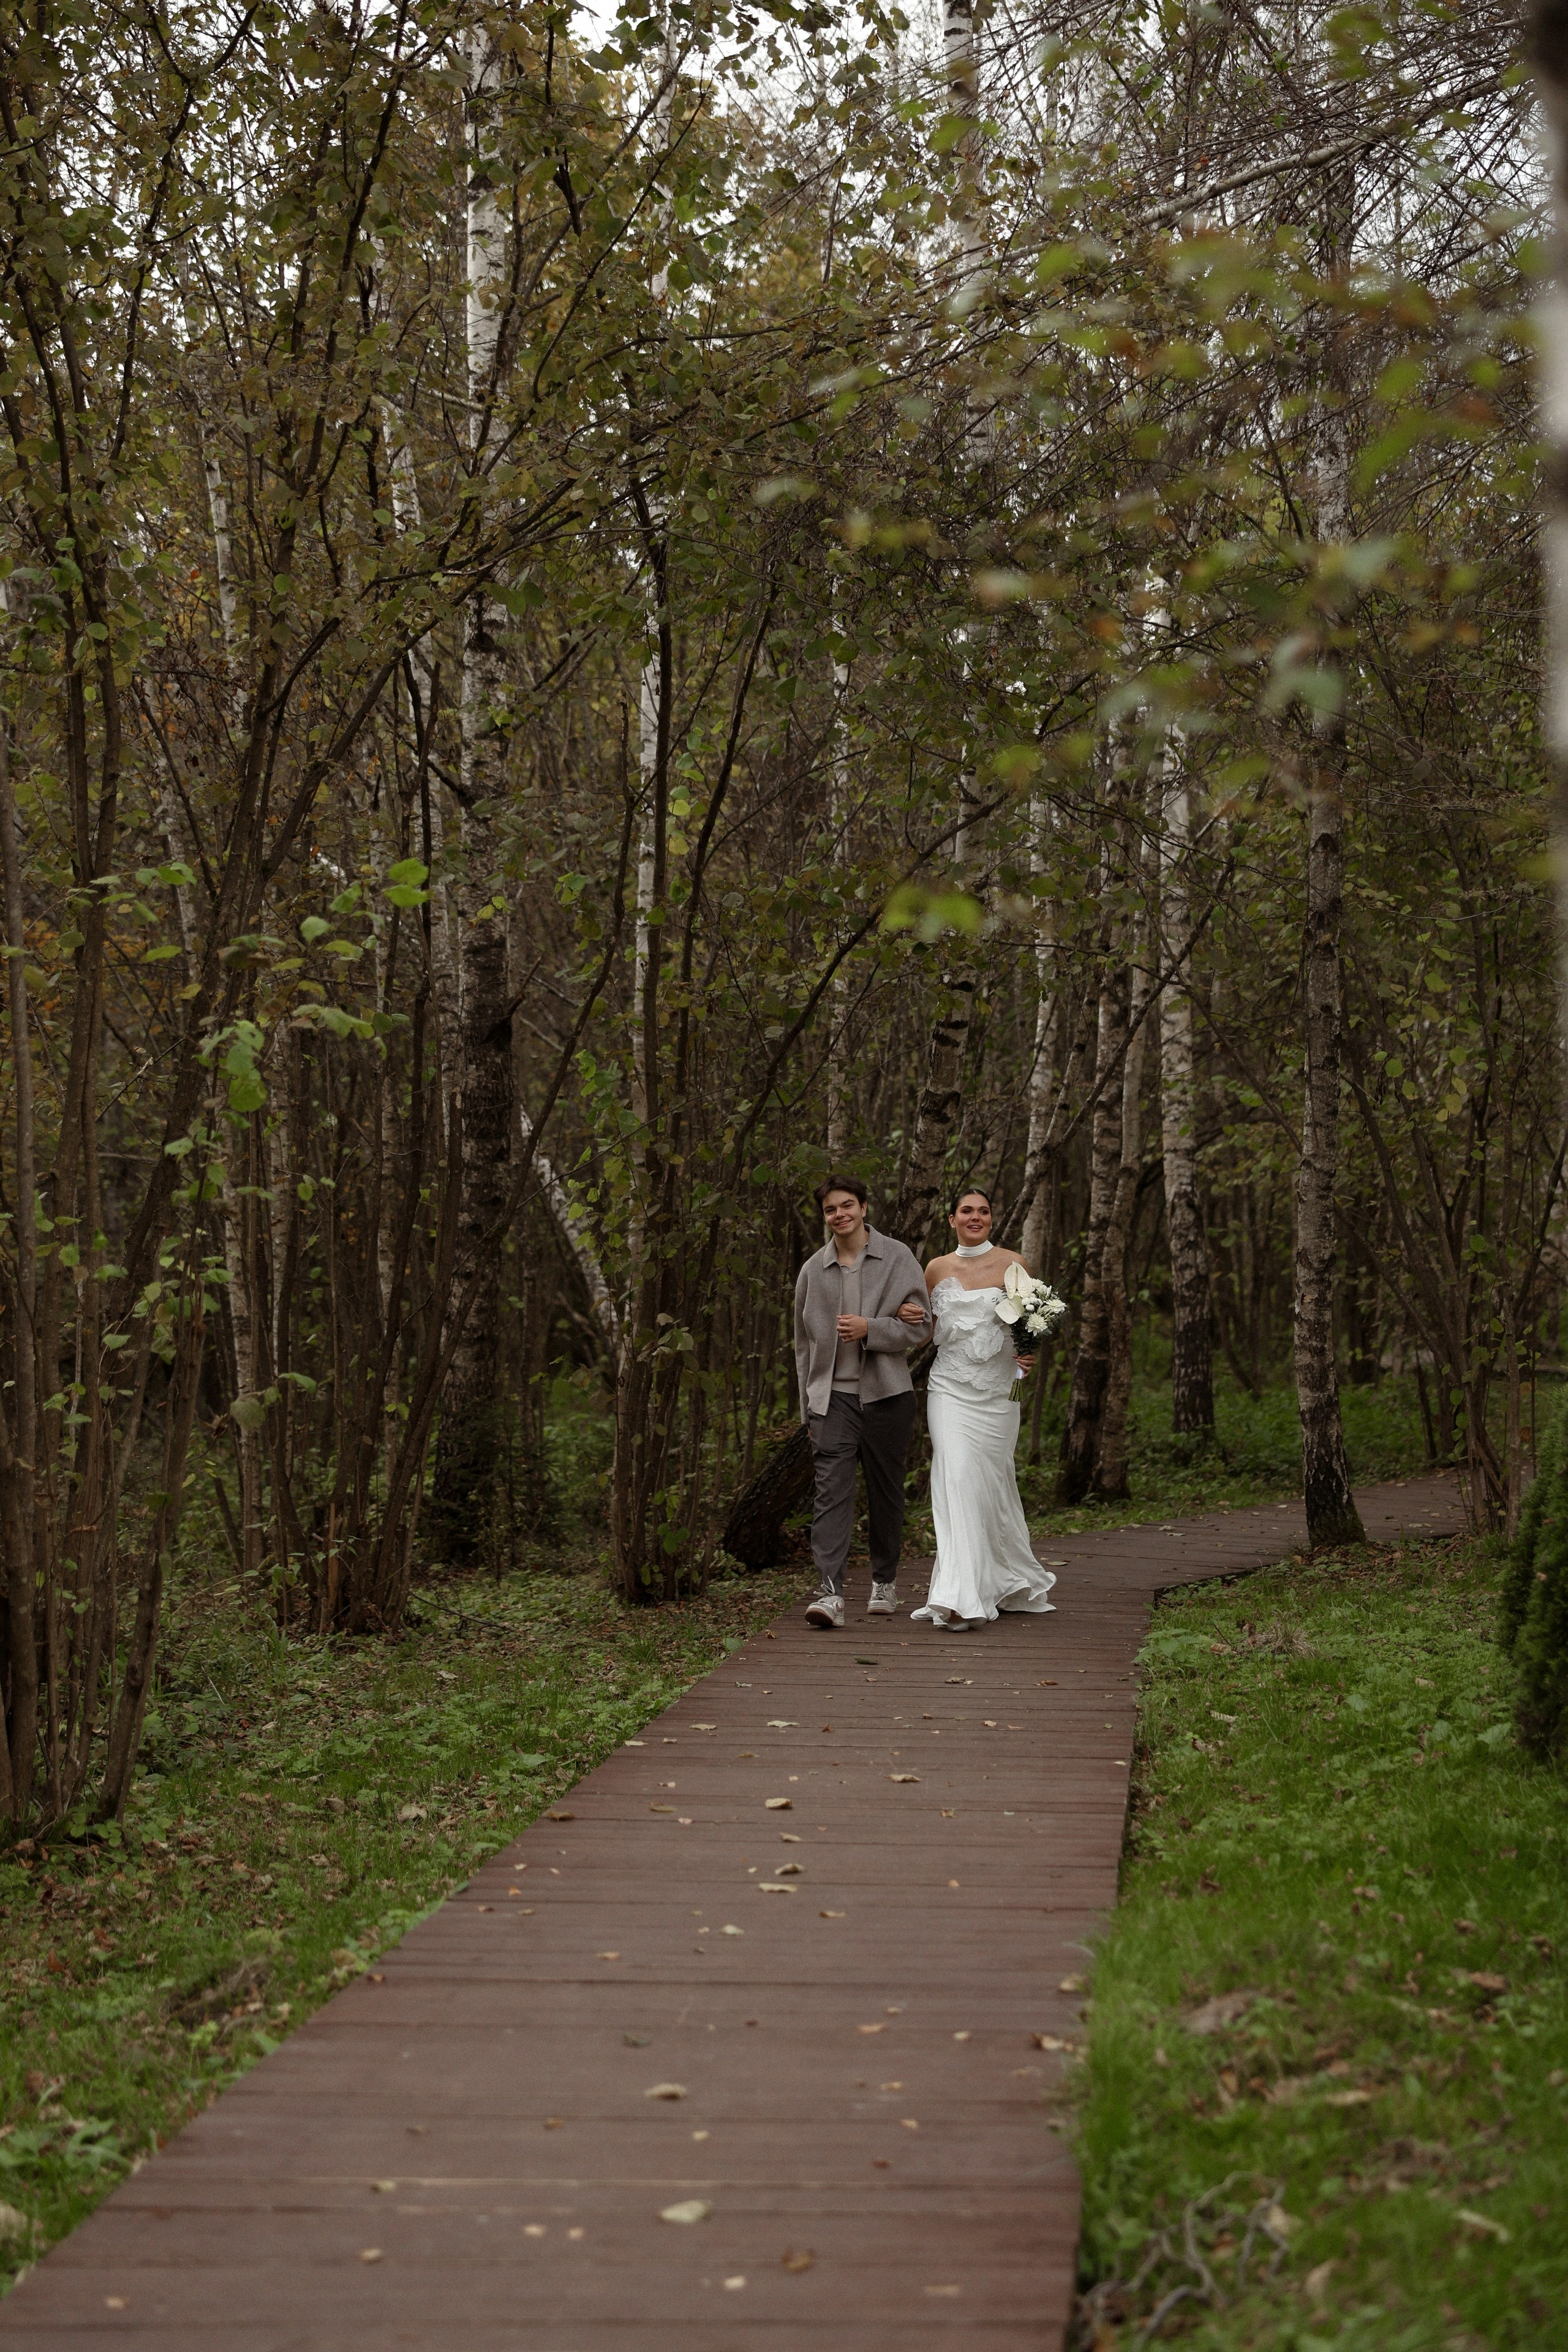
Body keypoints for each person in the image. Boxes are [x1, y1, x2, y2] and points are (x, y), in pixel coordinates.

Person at [910, 1186, 1058, 1631]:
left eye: (984, 1211)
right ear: (952, 1218)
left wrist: (1029, 1352)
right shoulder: (935, 1269)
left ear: (992, 1219)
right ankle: (958, 1594)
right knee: (954, 1478)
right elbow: (923, 1334)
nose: (976, 1217)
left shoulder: (1014, 1264)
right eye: (966, 1211)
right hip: (950, 1389)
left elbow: (1033, 1321)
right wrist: (908, 1316)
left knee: (993, 1483)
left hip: (998, 1394)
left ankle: (1003, 1580)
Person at [794, 1174, 930, 1629]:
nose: (840, 1215)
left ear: (865, 1207)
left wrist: (872, 1327)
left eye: (847, 1205)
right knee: (831, 1494)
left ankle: (885, 1581)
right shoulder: (813, 1270)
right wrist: (808, 1407)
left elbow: (921, 1327)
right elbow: (802, 1347)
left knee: (886, 1492)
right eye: (831, 1209)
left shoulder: (898, 1258)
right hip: (832, 1400)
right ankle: (830, 1594)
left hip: (888, 1396)